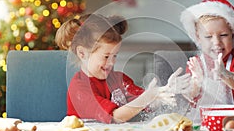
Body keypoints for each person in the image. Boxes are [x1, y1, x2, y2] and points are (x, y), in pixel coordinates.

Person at [55, 13, 191, 124]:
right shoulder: (79, 87)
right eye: (106, 56)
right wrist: (148, 97)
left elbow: (143, 105)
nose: (111, 62)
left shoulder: (118, 79)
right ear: (82, 53)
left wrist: (162, 92)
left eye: (115, 56)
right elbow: (116, 117)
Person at [180, 0, 234, 125]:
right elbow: (190, 96)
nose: (217, 42)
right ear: (198, 38)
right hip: (200, 123)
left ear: (233, 35)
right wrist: (196, 82)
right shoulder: (196, 63)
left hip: (232, 124)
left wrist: (224, 74)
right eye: (208, 36)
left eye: (223, 35)